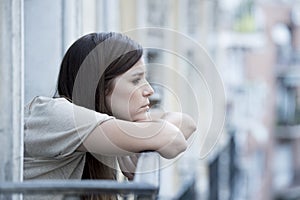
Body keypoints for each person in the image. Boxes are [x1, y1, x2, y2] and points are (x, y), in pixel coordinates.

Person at [24, 32, 196, 200]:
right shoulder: (57, 115)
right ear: (99, 86)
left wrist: (132, 137)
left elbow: (187, 124)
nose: (149, 90)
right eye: (136, 80)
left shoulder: (102, 122)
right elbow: (174, 140)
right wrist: (141, 136)